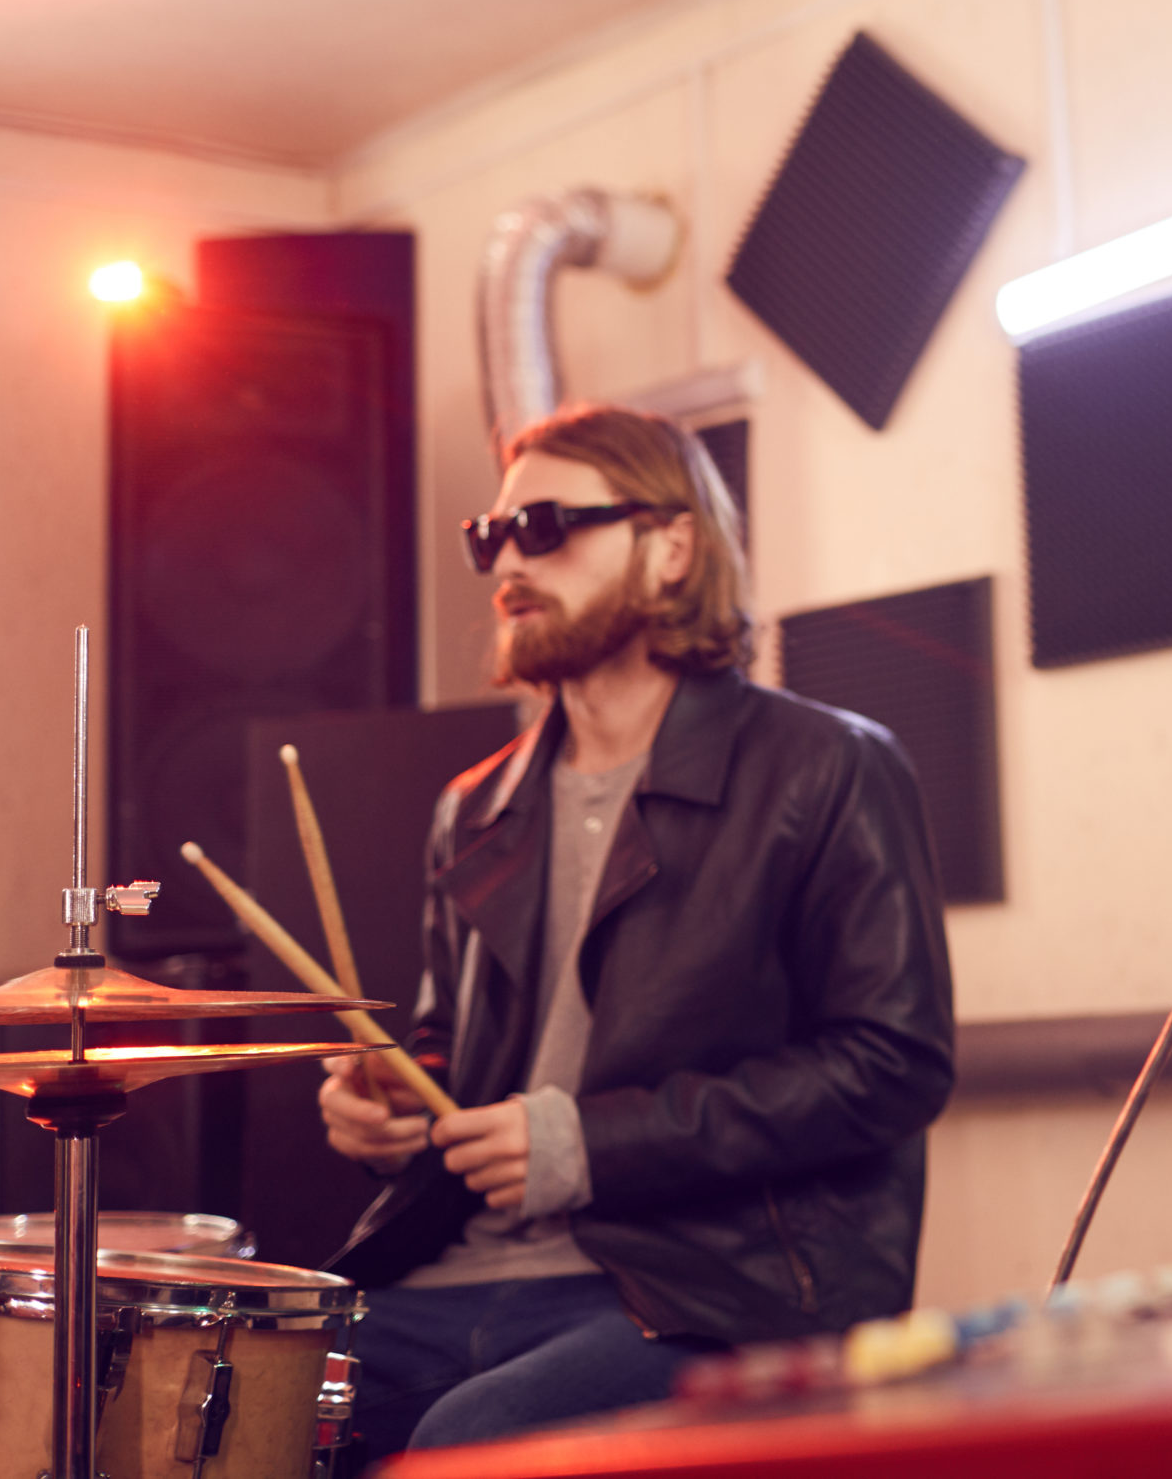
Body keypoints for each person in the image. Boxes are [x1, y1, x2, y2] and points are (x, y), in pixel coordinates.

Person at [316, 404, 956, 1458]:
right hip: (453, 1274)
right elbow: (451, 1052)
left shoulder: (829, 765)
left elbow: (892, 1066)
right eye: (492, 536)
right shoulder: (474, 806)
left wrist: (585, 1145)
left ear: (672, 548)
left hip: (705, 1286)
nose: (507, 563)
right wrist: (389, 1103)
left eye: (549, 525)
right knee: (223, 1406)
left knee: (472, 1443)